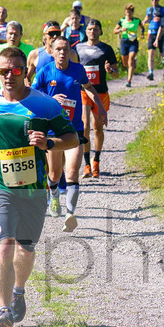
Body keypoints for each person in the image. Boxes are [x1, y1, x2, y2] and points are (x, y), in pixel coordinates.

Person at [0, 46, 78, 327]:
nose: (9, 76)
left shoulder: (46, 105)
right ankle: (3, 311)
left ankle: (19, 290)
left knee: (26, 250)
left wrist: (49, 144)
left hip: (34, 189)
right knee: (4, 246)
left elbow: (73, 137)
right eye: (3, 71)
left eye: (16, 70)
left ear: (25, 72)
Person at [32, 37, 106, 233]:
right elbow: (31, 95)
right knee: (55, 173)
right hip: (52, 132)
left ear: (70, 52)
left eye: (66, 49)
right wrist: (50, 99)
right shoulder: (45, 72)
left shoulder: (78, 70)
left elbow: (89, 88)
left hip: (74, 130)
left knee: (72, 172)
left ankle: (70, 214)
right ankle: (54, 193)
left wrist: (99, 106)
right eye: (59, 50)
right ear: (53, 52)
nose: (62, 53)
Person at [76, 20, 117, 178]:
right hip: (84, 91)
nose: (92, 32)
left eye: (95, 29)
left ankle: (96, 160)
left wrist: (110, 69)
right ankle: (86, 164)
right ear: (86, 31)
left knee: (97, 127)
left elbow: (116, 73)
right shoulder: (78, 47)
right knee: (85, 125)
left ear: (100, 31)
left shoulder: (106, 49)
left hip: (100, 92)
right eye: (90, 29)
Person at [0, 21, 34, 89]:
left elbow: (31, 67)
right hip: (4, 89)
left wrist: (27, 79)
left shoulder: (29, 50)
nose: (12, 37)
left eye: (16, 34)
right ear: (6, 34)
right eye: (10, 34)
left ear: (21, 35)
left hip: (21, 89)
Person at [113, 5, 144, 87]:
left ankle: (129, 81)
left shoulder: (137, 20)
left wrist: (142, 34)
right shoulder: (122, 20)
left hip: (133, 42)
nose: (128, 13)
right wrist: (120, 30)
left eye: (129, 12)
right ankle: (133, 64)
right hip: (124, 41)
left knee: (130, 61)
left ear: (132, 12)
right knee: (125, 63)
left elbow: (142, 27)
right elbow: (114, 31)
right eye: (126, 12)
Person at [145, 0, 164, 81]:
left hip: (160, 33)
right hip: (151, 33)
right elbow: (147, 18)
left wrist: (160, 19)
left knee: (163, 54)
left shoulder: (163, 10)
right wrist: (143, 22)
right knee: (150, 53)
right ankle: (151, 72)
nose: (154, 1)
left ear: (158, 0)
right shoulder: (149, 9)